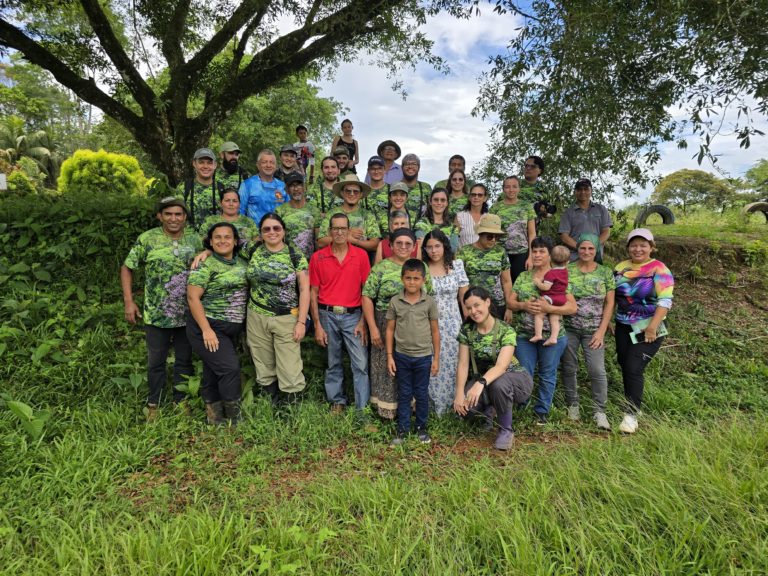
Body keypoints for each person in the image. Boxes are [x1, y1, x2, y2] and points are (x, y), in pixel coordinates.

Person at [121, 197, 203, 420]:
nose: (174, 218)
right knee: (156, 361)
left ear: (185, 217)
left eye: (178, 214)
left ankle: (181, 401)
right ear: (160, 216)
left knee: (184, 360)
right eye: (168, 214)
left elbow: (208, 261)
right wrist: (129, 301)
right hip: (156, 313)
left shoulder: (194, 240)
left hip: (187, 314)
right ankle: (153, 404)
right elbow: (128, 267)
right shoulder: (147, 239)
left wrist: (206, 253)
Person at [454, 287, 534, 451]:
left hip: (515, 380)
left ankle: (506, 429)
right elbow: (463, 363)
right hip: (486, 382)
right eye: (469, 308)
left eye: (477, 305)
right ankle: (490, 411)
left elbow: (501, 366)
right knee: (465, 410)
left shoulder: (506, 330)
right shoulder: (467, 330)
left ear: (488, 302)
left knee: (499, 385)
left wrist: (480, 383)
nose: (473, 311)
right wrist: (459, 393)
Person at [507, 236, 577, 425]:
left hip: (552, 336)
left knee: (547, 373)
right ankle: (522, 407)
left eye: (542, 251)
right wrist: (523, 306)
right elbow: (510, 303)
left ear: (550, 254)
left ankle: (542, 411)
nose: (537, 255)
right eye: (534, 251)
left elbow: (572, 307)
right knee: (524, 372)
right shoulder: (523, 276)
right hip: (524, 335)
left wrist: (549, 309)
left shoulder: (560, 275)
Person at [363, 228, 429, 420]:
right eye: (398, 243)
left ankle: (411, 410)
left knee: (410, 367)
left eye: (408, 243)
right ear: (390, 245)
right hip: (384, 324)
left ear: (414, 246)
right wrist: (373, 327)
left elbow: (429, 298)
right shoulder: (380, 268)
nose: (403, 247)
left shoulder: (420, 268)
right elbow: (367, 296)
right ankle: (387, 411)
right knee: (386, 367)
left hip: (413, 325)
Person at [186, 222, 248, 425]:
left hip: (231, 327)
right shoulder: (204, 264)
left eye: (227, 237)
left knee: (213, 370)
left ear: (235, 241)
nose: (223, 241)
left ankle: (214, 417)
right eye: (217, 237)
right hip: (208, 326)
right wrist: (206, 330)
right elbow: (193, 298)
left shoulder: (242, 261)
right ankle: (234, 419)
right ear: (210, 242)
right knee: (229, 369)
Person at [309, 213, 371, 415]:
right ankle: (338, 401)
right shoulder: (318, 257)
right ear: (329, 232)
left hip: (353, 316)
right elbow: (313, 293)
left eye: (343, 228)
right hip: (327, 314)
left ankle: (363, 408)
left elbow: (367, 291)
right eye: (335, 228)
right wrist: (317, 325)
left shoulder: (360, 255)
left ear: (349, 230)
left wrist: (363, 321)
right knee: (332, 361)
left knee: (360, 363)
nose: (339, 232)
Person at [613, 228, 674, 434]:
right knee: (625, 364)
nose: (638, 249)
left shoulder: (659, 268)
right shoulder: (620, 267)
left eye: (643, 245)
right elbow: (612, 296)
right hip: (622, 325)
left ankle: (630, 414)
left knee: (633, 366)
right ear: (628, 247)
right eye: (634, 245)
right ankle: (634, 403)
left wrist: (652, 327)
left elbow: (665, 300)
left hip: (649, 327)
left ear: (651, 247)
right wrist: (610, 321)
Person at [244, 213, 309, 404]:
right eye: (266, 229)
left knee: (290, 366)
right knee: (263, 362)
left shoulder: (295, 255)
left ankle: (291, 408)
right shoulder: (252, 249)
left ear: (284, 231)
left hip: (286, 317)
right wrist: (205, 252)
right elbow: (224, 253)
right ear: (261, 233)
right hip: (256, 314)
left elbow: (305, 289)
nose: (272, 232)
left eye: (276, 228)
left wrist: (301, 322)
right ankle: (270, 403)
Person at [561, 233, 615, 430]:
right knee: (569, 367)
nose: (586, 252)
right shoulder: (566, 270)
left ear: (596, 250)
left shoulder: (605, 273)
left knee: (596, 370)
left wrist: (601, 331)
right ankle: (572, 405)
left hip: (594, 330)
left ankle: (599, 411)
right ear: (577, 250)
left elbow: (610, 303)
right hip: (569, 328)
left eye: (591, 248)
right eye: (583, 248)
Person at [386, 259, 440, 446]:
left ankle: (421, 428)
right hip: (401, 356)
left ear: (423, 280)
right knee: (404, 393)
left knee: (421, 393)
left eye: (416, 278)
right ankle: (402, 429)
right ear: (402, 279)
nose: (412, 282)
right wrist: (390, 356)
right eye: (408, 278)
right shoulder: (395, 301)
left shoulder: (429, 302)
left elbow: (435, 331)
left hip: (424, 356)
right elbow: (390, 330)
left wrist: (436, 359)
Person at [422, 229, 468, 415]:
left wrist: (468, 324)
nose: (434, 251)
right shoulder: (422, 268)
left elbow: (465, 297)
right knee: (432, 363)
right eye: (430, 247)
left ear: (445, 246)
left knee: (454, 363)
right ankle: (433, 409)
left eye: (437, 246)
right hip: (428, 324)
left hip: (453, 324)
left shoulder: (456, 265)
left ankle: (453, 407)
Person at [457, 214, 511, 320]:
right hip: (472, 306)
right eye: (490, 236)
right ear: (480, 234)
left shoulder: (500, 251)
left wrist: (509, 307)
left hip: (496, 304)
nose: (493, 240)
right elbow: (460, 283)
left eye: (497, 237)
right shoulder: (464, 252)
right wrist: (465, 309)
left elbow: (506, 281)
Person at [316, 175, 380, 257]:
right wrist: (347, 236)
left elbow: (374, 245)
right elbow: (321, 242)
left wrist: (354, 241)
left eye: (356, 191)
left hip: (360, 261)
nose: (352, 194)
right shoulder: (331, 213)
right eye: (348, 191)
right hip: (334, 259)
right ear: (342, 193)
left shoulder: (368, 215)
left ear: (361, 194)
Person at [490, 175, 535, 282]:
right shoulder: (495, 208)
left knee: (519, 285)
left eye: (514, 186)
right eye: (507, 187)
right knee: (501, 285)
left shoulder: (527, 206)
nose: (511, 190)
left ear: (519, 188)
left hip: (521, 253)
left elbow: (532, 233)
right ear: (503, 189)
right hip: (500, 253)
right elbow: (490, 233)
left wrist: (531, 256)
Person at [559, 178, 612, 263]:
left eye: (586, 189)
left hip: (595, 258)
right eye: (579, 189)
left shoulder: (601, 209)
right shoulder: (568, 212)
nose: (583, 192)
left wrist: (593, 247)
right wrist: (581, 248)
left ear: (591, 191)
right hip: (574, 259)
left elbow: (606, 232)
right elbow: (564, 236)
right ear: (575, 192)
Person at [530, 244, 570, 346]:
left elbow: (546, 287)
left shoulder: (551, 273)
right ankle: (553, 338)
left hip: (551, 297)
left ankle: (538, 334)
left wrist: (538, 282)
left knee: (539, 315)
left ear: (550, 258)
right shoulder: (565, 272)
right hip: (561, 298)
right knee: (554, 318)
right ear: (567, 262)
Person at [176, 147, 224, 232]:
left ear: (215, 165)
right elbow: (176, 216)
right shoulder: (184, 188)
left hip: (216, 241)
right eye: (201, 162)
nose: (205, 166)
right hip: (189, 240)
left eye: (209, 163)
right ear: (194, 163)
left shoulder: (222, 189)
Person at [276, 173, 320, 261]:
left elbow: (318, 239)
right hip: (288, 259)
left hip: (310, 260)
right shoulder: (279, 211)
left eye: (299, 185)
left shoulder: (314, 210)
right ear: (287, 190)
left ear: (304, 187)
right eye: (292, 186)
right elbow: (277, 237)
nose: (296, 189)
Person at [239, 149, 286, 226]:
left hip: (277, 233)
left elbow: (289, 212)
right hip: (254, 235)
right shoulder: (247, 185)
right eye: (264, 162)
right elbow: (240, 212)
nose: (268, 165)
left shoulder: (282, 186)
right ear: (258, 165)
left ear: (276, 166)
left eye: (272, 162)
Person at [415, 187, 460, 252]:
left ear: (447, 203)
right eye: (436, 200)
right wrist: (445, 244)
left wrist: (429, 244)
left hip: (446, 262)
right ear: (430, 202)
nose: (439, 203)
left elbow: (453, 249)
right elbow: (421, 246)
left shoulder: (453, 228)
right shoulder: (421, 223)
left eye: (443, 200)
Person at [521, 155, 557, 234]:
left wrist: (543, 211)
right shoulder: (515, 185)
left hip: (534, 230)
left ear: (540, 170)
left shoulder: (544, 189)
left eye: (533, 166)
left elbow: (548, 214)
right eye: (526, 166)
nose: (528, 168)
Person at [456, 183, 490, 248]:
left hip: (484, 256)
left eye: (480, 195)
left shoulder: (489, 218)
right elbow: (453, 241)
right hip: (463, 256)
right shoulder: (459, 217)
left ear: (485, 198)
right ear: (469, 197)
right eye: (473, 194)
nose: (476, 197)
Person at [399, 153, 431, 218]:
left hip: (422, 227)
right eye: (407, 164)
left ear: (419, 167)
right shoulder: (394, 187)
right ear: (402, 167)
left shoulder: (426, 188)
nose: (410, 166)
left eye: (414, 164)